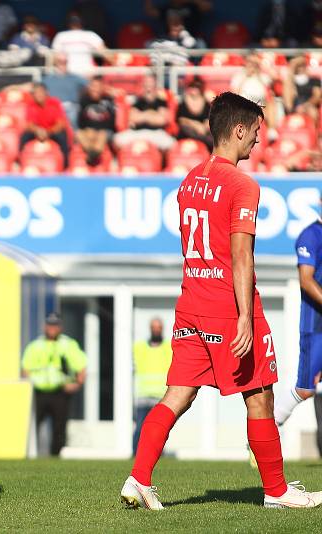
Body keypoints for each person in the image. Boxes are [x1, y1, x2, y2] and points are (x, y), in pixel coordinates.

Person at [120, 92, 322, 511]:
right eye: (256, 133)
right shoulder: (242, 184)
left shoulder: (189, 180)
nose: (258, 142)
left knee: (177, 394)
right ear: (238, 130)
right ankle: (277, 491)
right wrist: (246, 316)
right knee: (261, 396)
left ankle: (138, 479)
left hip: (190, 303)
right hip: (227, 307)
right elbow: (240, 254)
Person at [274, 196, 322, 428]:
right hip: (316, 325)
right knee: (305, 389)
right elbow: (306, 280)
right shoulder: (311, 235)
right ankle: (262, 434)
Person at [21, 313, 87, 457]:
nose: (52, 328)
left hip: (60, 391)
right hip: (38, 392)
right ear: (45, 326)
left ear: (60, 327)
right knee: (33, 425)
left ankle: (56, 455)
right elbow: (25, 368)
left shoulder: (68, 344)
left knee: (59, 426)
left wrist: (77, 384)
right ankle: (31, 453)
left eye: (55, 325)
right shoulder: (36, 345)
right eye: (50, 325)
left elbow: (81, 366)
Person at [132, 318, 172, 453]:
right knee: (140, 427)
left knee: (159, 428)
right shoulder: (139, 347)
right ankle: (136, 454)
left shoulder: (169, 347)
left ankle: (157, 454)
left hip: (161, 396)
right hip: (143, 395)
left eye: (159, 327)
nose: (156, 330)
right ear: (150, 329)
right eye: (154, 327)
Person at [114, 73, 175, 152]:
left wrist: (142, 115)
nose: (148, 88)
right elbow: (132, 118)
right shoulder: (137, 101)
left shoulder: (161, 102)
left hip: (156, 133)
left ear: (155, 86)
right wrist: (152, 114)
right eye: (146, 85)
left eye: (150, 85)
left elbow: (161, 120)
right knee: (117, 139)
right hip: (137, 133)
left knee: (171, 144)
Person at [19, 83, 70, 164]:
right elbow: (29, 124)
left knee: (62, 136)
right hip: (38, 131)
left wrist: (49, 132)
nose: (38, 95)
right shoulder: (31, 104)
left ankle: (65, 164)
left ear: (46, 93)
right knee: (24, 136)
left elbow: (60, 123)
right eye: (36, 93)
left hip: (52, 130)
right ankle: (20, 162)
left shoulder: (55, 102)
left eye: (40, 92)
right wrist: (37, 131)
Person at [76, 76, 115, 166]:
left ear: (102, 88)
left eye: (98, 86)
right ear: (89, 87)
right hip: (88, 131)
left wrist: (97, 130)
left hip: (104, 130)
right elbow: (80, 122)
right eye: (93, 86)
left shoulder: (108, 100)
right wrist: (90, 130)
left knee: (102, 134)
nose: (95, 89)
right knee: (79, 133)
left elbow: (112, 122)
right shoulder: (84, 100)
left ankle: (92, 156)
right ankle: (92, 153)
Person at [51, 11, 105, 76]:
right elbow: (54, 57)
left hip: (86, 73)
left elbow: (104, 51)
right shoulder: (61, 35)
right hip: (67, 74)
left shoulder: (90, 35)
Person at [42, 53, 87, 128]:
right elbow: (35, 87)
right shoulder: (48, 79)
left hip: (70, 106)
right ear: (55, 63)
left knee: (72, 114)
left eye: (65, 61)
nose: (62, 64)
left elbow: (91, 86)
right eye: (60, 61)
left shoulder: (75, 77)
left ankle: (73, 136)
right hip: (53, 108)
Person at [283, 56, 322, 123]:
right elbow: (288, 101)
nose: (300, 68)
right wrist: (292, 66)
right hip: (294, 107)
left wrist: (304, 106)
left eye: (302, 65)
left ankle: (315, 132)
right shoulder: (291, 82)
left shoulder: (314, 80)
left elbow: (317, 96)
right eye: (297, 66)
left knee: (312, 111)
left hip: (309, 106)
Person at [176, 78, 212, 150]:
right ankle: (204, 140)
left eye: (197, 87)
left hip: (203, 131)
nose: (194, 89)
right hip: (188, 130)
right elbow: (181, 120)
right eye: (192, 86)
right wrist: (195, 125)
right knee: (186, 128)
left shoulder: (206, 103)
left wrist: (205, 126)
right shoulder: (183, 102)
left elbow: (210, 119)